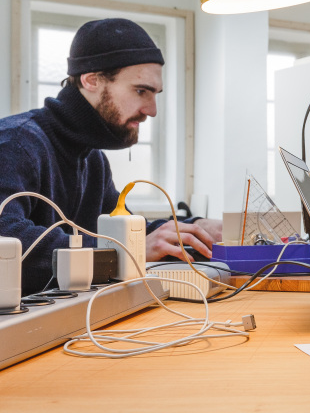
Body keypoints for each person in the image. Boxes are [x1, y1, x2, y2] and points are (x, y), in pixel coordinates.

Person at [0, 18, 222, 295]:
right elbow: (8, 241)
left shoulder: (92, 160)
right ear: (91, 79)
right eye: (141, 91)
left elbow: (120, 230)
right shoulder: (14, 143)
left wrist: (194, 228)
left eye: (155, 94)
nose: (152, 110)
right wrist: (131, 251)